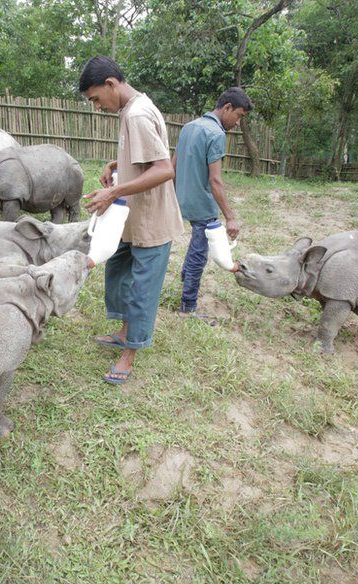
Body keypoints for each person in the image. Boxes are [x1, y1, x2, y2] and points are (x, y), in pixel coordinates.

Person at [79, 56, 183, 385]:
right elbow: (145, 156)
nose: (96, 107)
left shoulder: (136, 114)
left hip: (151, 219)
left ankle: (131, 351)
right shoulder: (131, 109)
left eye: (96, 99)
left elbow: (164, 168)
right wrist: (116, 164)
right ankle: (125, 331)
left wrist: (113, 192)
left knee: (141, 289)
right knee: (118, 270)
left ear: (111, 84)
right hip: (130, 215)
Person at [172, 87, 251, 318]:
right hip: (203, 206)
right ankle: (188, 307)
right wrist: (230, 217)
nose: (237, 123)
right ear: (227, 107)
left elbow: (172, 166)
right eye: (238, 116)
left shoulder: (188, 127)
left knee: (195, 245)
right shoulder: (216, 134)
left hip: (182, 200)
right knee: (199, 254)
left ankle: (185, 278)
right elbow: (215, 180)